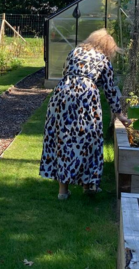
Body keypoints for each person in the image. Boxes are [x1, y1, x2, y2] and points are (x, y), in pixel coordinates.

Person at [39, 28, 131, 200]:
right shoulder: (103, 59)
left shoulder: (74, 52)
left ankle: (62, 192)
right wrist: (119, 115)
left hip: (62, 94)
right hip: (85, 97)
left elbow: (65, 73)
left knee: (63, 139)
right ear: (107, 47)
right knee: (89, 138)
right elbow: (110, 90)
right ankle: (89, 185)